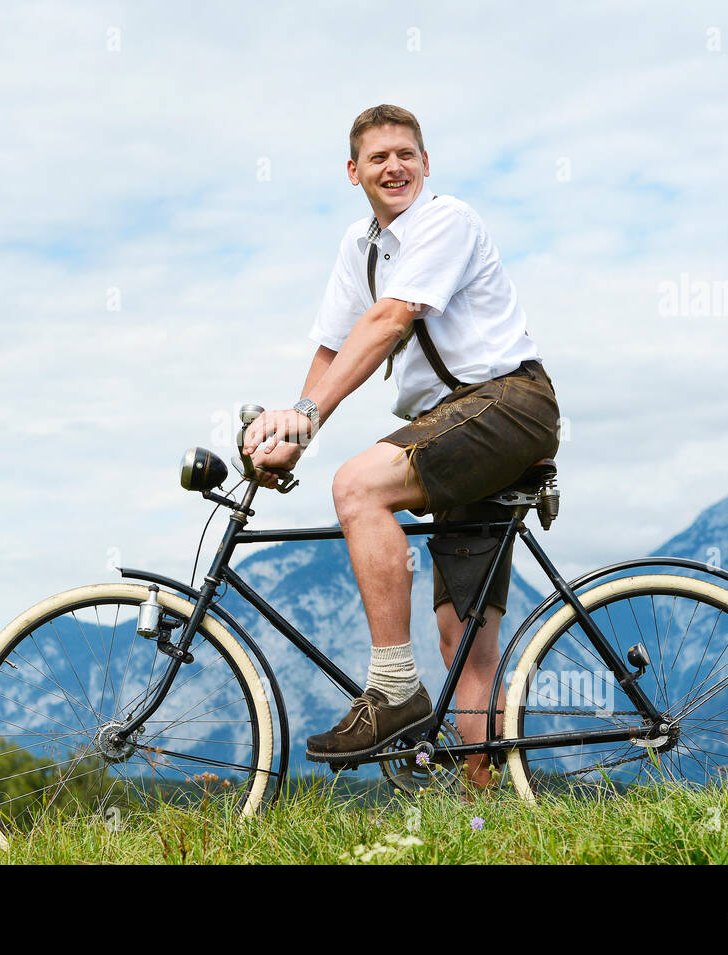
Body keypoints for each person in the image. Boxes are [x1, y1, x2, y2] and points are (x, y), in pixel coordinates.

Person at [242, 104, 560, 790]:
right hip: (457, 426)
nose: (395, 166)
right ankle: (493, 809)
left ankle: (390, 690)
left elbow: (389, 318)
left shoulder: (447, 221)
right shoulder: (359, 247)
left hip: (507, 402)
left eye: (407, 154)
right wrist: (296, 440)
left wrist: (303, 416)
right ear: (353, 172)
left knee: (358, 485)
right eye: (379, 157)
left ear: (425, 164)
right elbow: (332, 345)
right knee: (465, 642)